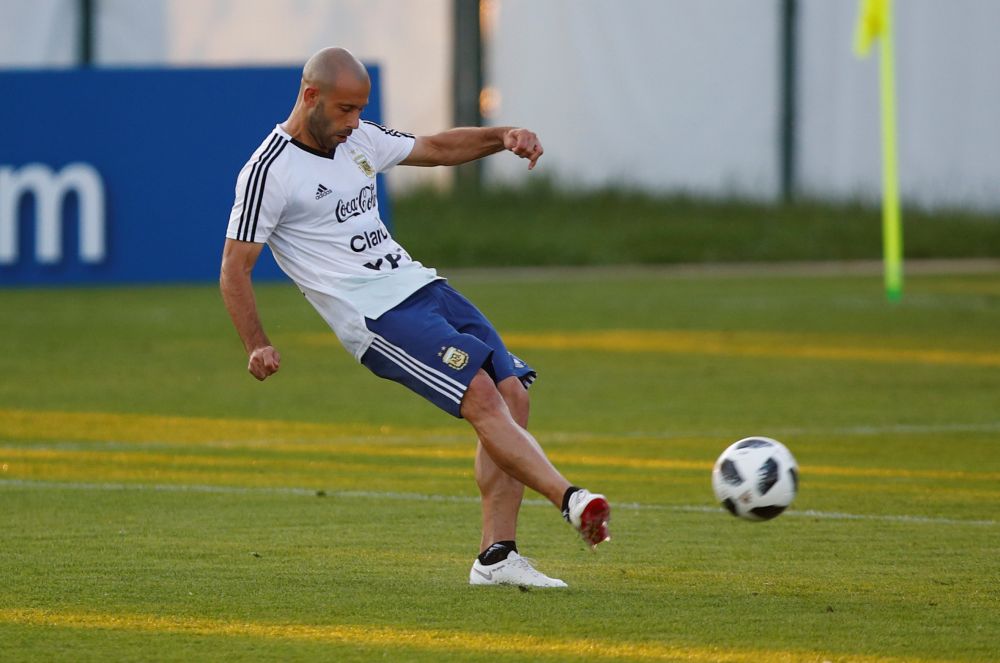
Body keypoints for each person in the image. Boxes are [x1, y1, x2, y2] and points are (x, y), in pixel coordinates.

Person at [219, 47, 610, 588]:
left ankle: (496, 558)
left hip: (421, 285)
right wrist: (255, 342)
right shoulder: (268, 171)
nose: (354, 122)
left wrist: (502, 136)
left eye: (360, 110)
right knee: (479, 394)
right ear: (311, 97)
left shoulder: (356, 139)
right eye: (344, 110)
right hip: (374, 315)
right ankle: (571, 499)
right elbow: (234, 268)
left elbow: (436, 148)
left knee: (514, 391)